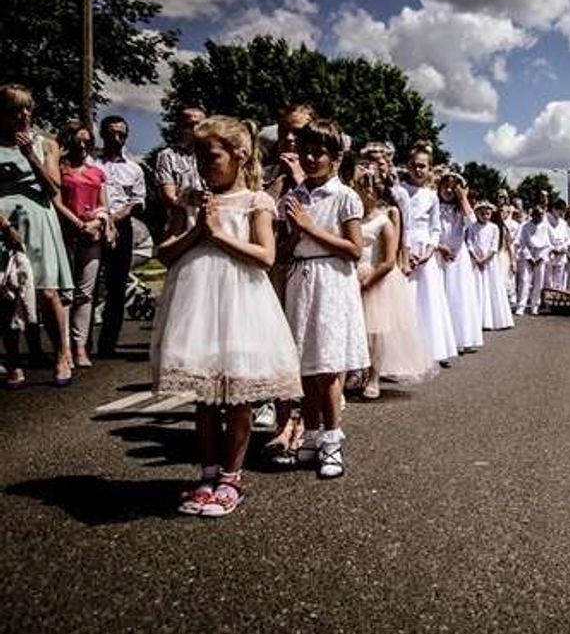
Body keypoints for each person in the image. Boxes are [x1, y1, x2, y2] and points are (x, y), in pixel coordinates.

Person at [151, 115, 301, 517]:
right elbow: (163, 254)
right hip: (196, 304)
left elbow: (266, 256)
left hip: (241, 303)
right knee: (203, 397)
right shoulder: (191, 199)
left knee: (236, 397)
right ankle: (207, 472)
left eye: (211, 156)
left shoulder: (257, 201)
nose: (202, 165)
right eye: (198, 156)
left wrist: (218, 235)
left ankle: (232, 476)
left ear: (240, 155)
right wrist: (197, 230)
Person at [280, 120, 369, 479]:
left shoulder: (345, 196)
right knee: (307, 366)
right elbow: (285, 250)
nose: (311, 158)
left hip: (332, 280)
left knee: (329, 365)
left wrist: (312, 228)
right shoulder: (295, 196)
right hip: (300, 279)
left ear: (335, 158)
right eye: (306, 152)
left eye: (320, 153)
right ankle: (312, 433)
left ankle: (333, 439)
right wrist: (293, 233)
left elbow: (354, 249)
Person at [0, 84, 74, 386]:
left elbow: (54, 188)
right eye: (16, 109)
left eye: (28, 108)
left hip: (38, 220)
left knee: (47, 292)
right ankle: (15, 363)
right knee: (6, 294)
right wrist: (4, 227)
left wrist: (30, 154)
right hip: (3, 222)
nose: (24, 114)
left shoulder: (46, 144)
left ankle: (60, 355)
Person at [353, 165, 436, 399]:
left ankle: (374, 376)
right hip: (353, 273)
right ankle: (355, 371)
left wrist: (369, 281)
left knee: (377, 331)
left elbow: (389, 259)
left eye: (365, 189)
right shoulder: (352, 216)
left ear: (375, 192)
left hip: (377, 276)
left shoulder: (385, 218)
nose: (361, 194)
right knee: (357, 328)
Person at [56, 120, 112, 368]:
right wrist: (78, 225)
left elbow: (104, 204)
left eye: (87, 141)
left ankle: (81, 346)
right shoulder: (59, 170)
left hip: (92, 234)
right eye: (78, 140)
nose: (83, 145)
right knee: (64, 292)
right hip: (66, 233)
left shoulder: (96, 172)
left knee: (85, 293)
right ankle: (64, 347)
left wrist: (98, 223)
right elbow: (55, 201)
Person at [95, 115, 147, 358]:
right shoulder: (92, 163)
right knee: (89, 286)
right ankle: (79, 343)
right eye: (111, 133)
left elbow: (136, 202)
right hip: (91, 225)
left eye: (121, 134)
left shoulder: (134, 168)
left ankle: (108, 343)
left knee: (116, 286)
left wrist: (113, 220)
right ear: (102, 134)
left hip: (121, 226)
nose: (116, 138)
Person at [402, 142, 458, 366]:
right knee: (407, 300)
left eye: (423, 167)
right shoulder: (400, 191)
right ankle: (405, 351)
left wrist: (429, 250)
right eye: (415, 166)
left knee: (429, 300)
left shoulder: (431, 196)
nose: (418, 170)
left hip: (425, 251)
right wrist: (405, 250)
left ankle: (434, 348)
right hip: (405, 249)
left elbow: (435, 228)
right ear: (408, 166)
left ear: (429, 169)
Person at [437, 171, 484, 354]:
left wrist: (463, 198)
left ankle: (460, 338)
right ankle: (443, 341)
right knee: (442, 294)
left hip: (458, 255)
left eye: (452, 187)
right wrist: (440, 246)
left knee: (458, 295)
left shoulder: (459, 208)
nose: (448, 190)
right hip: (438, 252)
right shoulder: (435, 204)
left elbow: (471, 222)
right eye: (445, 186)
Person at [468, 200, 515, 331]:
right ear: (477, 213)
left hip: (490, 261)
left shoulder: (494, 228)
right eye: (482, 213)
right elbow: (470, 243)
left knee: (491, 287)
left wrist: (485, 259)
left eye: (487, 213)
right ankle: (478, 319)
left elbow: (494, 246)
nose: (485, 215)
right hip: (476, 261)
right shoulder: (472, 227)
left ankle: (494, 318)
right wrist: (476, 258)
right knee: (478, 287)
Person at [154, 105, 206, 219]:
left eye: (200, 125)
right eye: (189, 125)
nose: (195, 129)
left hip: (212, 220)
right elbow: (169, 196)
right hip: (181, 222)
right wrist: (191, 198)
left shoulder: (213, 156)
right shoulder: (167, 156)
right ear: (180, 127)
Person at [515, 204, 553, 316]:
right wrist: (529, 257)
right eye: (537, 214)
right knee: (525, 280)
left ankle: (535, 305)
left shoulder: (546, 226)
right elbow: (522, 243)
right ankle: (521, 305)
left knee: (539, 281)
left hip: (541, 255)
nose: (540, 217)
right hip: (528, 254)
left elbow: (549, 244)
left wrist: (541, 257)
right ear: (533, 215)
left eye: (542, 214)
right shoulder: (525, 226)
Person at [546, 200, 570, 290]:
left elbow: (566, 239)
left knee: (559, 280)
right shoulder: (546, 222)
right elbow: (544, 239)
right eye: (560, 210)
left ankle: (557, 298)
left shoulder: (563, 223)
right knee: (549, 280)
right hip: (550, 254)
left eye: (563, 211)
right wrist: (553, 249)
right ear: (554, 209)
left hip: (561, 254)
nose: (561, 213)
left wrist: (563, 248)